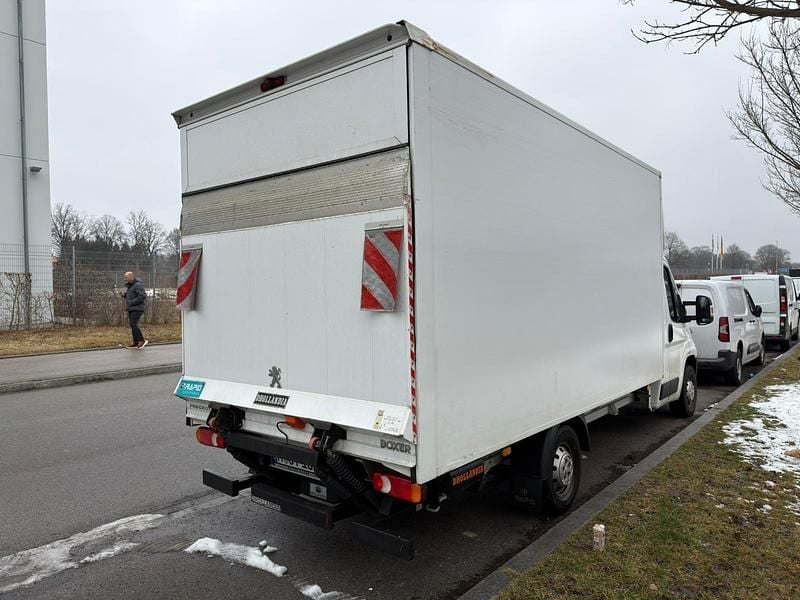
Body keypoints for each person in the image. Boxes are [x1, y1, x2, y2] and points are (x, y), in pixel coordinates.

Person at [121, 271, 148, 349]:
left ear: (131, 277)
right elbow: (133, 296)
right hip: (132, 308)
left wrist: (131, 302)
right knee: (132, 324)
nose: (125, 279)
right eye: (124, 277)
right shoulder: (131, 286)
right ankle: (135, 342)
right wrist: (125, 295)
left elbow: (142, 296)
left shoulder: (138, 285)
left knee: (133, 324)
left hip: (138, 308)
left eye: (126, 277)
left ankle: (141, 340)